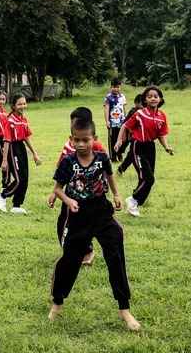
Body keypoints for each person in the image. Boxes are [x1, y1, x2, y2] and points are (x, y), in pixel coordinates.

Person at [49, 118, 141, 331]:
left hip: (101, 212)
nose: (81, 144)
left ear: (94, 139)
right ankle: (57, 303)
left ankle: (124, 308)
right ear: (71, 140)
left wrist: (117, 195)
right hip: (78, 215)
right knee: (70, 259)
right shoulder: (67, 162)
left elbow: (109, 176)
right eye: (76, 140)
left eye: (85, 140)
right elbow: (57, 189)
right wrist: (68, 200)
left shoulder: (101, 158)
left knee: (116, 252)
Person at [47, 107, 106, 266]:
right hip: (71, 193)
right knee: (64, 223)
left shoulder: (97, 147)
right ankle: (75, 251)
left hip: (90, 195)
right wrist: (54, 192)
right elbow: (62, 170)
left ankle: (87, 251)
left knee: (86, 223)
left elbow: (104, 167)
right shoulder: (69, 146)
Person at [114, 86, 174, 217]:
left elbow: (161, 134)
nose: (153, 98)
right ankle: (133, 200)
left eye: (155, 96)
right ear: (145, 100)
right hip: (138, 146)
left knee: (147, 179)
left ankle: (134, 202)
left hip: (150, 148)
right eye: (149, 96)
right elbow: (125, 126)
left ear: (160, 99)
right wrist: (119, 141)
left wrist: (166, 147)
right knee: (149, 178)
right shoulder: (139, 114)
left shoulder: (161, 116)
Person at [0, 94, 41, 214]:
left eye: (24, 103)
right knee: (19, 179)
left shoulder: (23, 119)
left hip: (21, 148)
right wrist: (4, 160)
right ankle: (2, 196)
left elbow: (26, 137)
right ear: (13, 106)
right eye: (19, 104)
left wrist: (34, 153)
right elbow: (7, 141)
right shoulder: (9, 121)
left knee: (25, 178)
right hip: (12, 149)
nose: (23, 106)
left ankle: (17, 205)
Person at [116, 94, 143, 176]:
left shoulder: (145, 111)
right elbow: (125, 124)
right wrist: (124, 135)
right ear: (136, 103)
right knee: (132, 154)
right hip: (133, 137)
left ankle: (122, 168)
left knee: (134, 154)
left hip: (142, 138)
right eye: (141, 104)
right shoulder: (133, 111)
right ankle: (121, 168)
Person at [104, 80, 127, 162]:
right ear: (111, 87)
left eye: (117, 87)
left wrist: (126, 120)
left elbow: (124, 109)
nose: (115, 89)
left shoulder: (122, 97)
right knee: (113, 139)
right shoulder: (108, 97)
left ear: (120, 87)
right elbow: (106, 109)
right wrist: (107, 121)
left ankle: (119, 153)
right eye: (114, 87)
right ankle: (113, 157)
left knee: (122, 139)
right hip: (112, 122)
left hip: (121, 122)